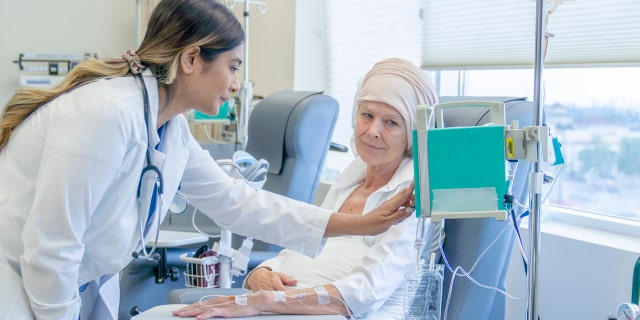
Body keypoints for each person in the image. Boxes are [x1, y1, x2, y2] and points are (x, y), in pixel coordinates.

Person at [0, 1, 414, 319]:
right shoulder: (105, 114)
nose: (236, 84)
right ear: (192, 59)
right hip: (19, 286)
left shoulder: (170, 128)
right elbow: (50, 250)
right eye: (232, 67)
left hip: (70, 285)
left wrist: (360, 224)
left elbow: (239, 203)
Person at [172, 58, 442, 320]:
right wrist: (262, 273)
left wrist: (269, 300)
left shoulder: (413, 196)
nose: (372, 130)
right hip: (290, 309)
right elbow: (306, 240)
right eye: (367, 115)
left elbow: (365, 292)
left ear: (412, 133)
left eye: (391, 123)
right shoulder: (351, 179)